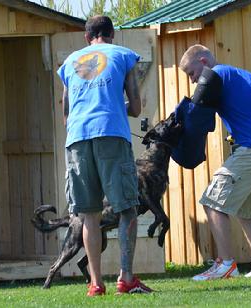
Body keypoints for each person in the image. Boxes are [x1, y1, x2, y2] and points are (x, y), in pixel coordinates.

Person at [57, 15, 152, 296]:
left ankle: (96, 284)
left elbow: (66, 114)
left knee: (89, 215)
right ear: (112, 34)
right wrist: (118, 104)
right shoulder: (123, 55)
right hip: (111, 134)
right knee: (127, 209)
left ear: (87, 38)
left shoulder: (71, 62)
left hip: (76, 139)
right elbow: (135, 107)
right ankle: (126, 278)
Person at [179, 44, 251, 280]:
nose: (192, 80)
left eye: (191, 73)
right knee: (247, 210)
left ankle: (225, 264)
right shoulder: (245, 75)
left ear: (203, 61)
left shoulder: (214, 75)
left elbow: (195, 110)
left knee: (211, 201)